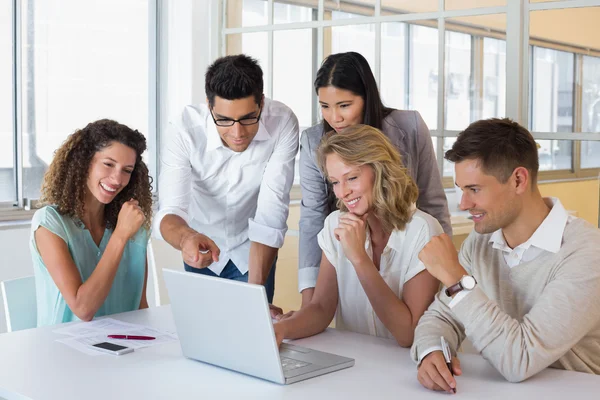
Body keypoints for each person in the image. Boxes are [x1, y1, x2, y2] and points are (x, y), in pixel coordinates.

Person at [411, 118, 600, 393]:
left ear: (518, 180)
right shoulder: (481, 242)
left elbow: (520, 359)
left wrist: (455, 277)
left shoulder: (586, 254)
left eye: (474, 189)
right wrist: (430, 351)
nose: (464, 204)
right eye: (460, 190)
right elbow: (441, 318)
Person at [298, 51, 451, 307]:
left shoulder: (410, 126)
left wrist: (445, 274)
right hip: (351, 258)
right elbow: (313, 218)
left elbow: (433, 203)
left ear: (366, 98)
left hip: (408, 258)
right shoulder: (314, 141)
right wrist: (310, 300)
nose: (334, 118)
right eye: (325, 106)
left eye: (344, 105)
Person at [274, 125, 442, 347]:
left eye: (352, 177)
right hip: (355, 364)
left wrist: (359, 259)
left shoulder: (423, 230)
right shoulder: (334, 223)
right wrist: (280, 329)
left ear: (380, 170)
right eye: (335, 182)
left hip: (407, 369)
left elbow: (409, 334)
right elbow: (322, 309)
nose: (342, 192)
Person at [154, 54, 299, 305]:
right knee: (202, 336)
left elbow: (271, 214)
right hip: (202, 247)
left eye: (247, 118)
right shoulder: (183, 130)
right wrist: (186, 238)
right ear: (209, 107)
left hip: (253, 249)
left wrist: (254, 299)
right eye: (224, 120)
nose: (237, 133)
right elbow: (171, 210)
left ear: (261, 104)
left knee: (252, 335)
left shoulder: (283, 122)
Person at [30, 119, 152, 326]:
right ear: (85, 162)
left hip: (124, 349)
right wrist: (120, 235)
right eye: (108, 164)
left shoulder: (133, 227)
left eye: (127, 170)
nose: (117, 178)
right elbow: (83, 309)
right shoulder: (50, 223)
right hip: (65, 351)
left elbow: (140, 307)